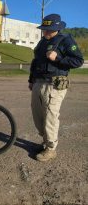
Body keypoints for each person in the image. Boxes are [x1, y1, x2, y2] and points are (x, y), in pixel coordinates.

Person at [28, 14, 84, 162]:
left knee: (50, 117)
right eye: (44, 29)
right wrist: (31, 79)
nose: (45, 32)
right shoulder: (42, 42)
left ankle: (51, 149)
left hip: (54, 85)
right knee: (38, 117)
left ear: (56, 28)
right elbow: (35, 62)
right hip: (38, 83)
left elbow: (78, 60)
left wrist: (58, 58)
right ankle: (45, 142)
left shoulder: (65, 41)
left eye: (48, 30)